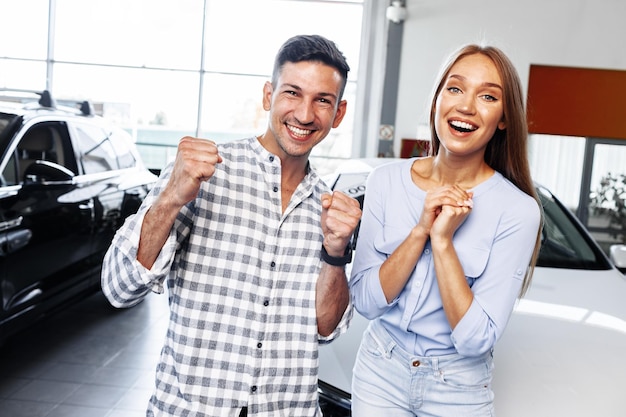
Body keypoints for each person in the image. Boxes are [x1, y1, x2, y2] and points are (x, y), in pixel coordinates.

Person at [101, 34, 361, 417]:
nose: (305, 115)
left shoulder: (329, 209)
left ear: (338, 113)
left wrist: (335, 255)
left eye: (322, 100)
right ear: (268, 95)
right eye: (292, 93)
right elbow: (119, 288)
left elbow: (327, 330)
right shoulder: (201, 174)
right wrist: (171, 197)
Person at [349, 44, 543, 416]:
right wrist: (421, 230)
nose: (466, 106)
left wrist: (442, 241)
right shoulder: (385, 182)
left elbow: (475, 339)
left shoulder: (518, 211)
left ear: (504, 118)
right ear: (437, 100)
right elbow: (367, 302)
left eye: (487, 96)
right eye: (454, 88)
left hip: (458, 388)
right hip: (380, 370)